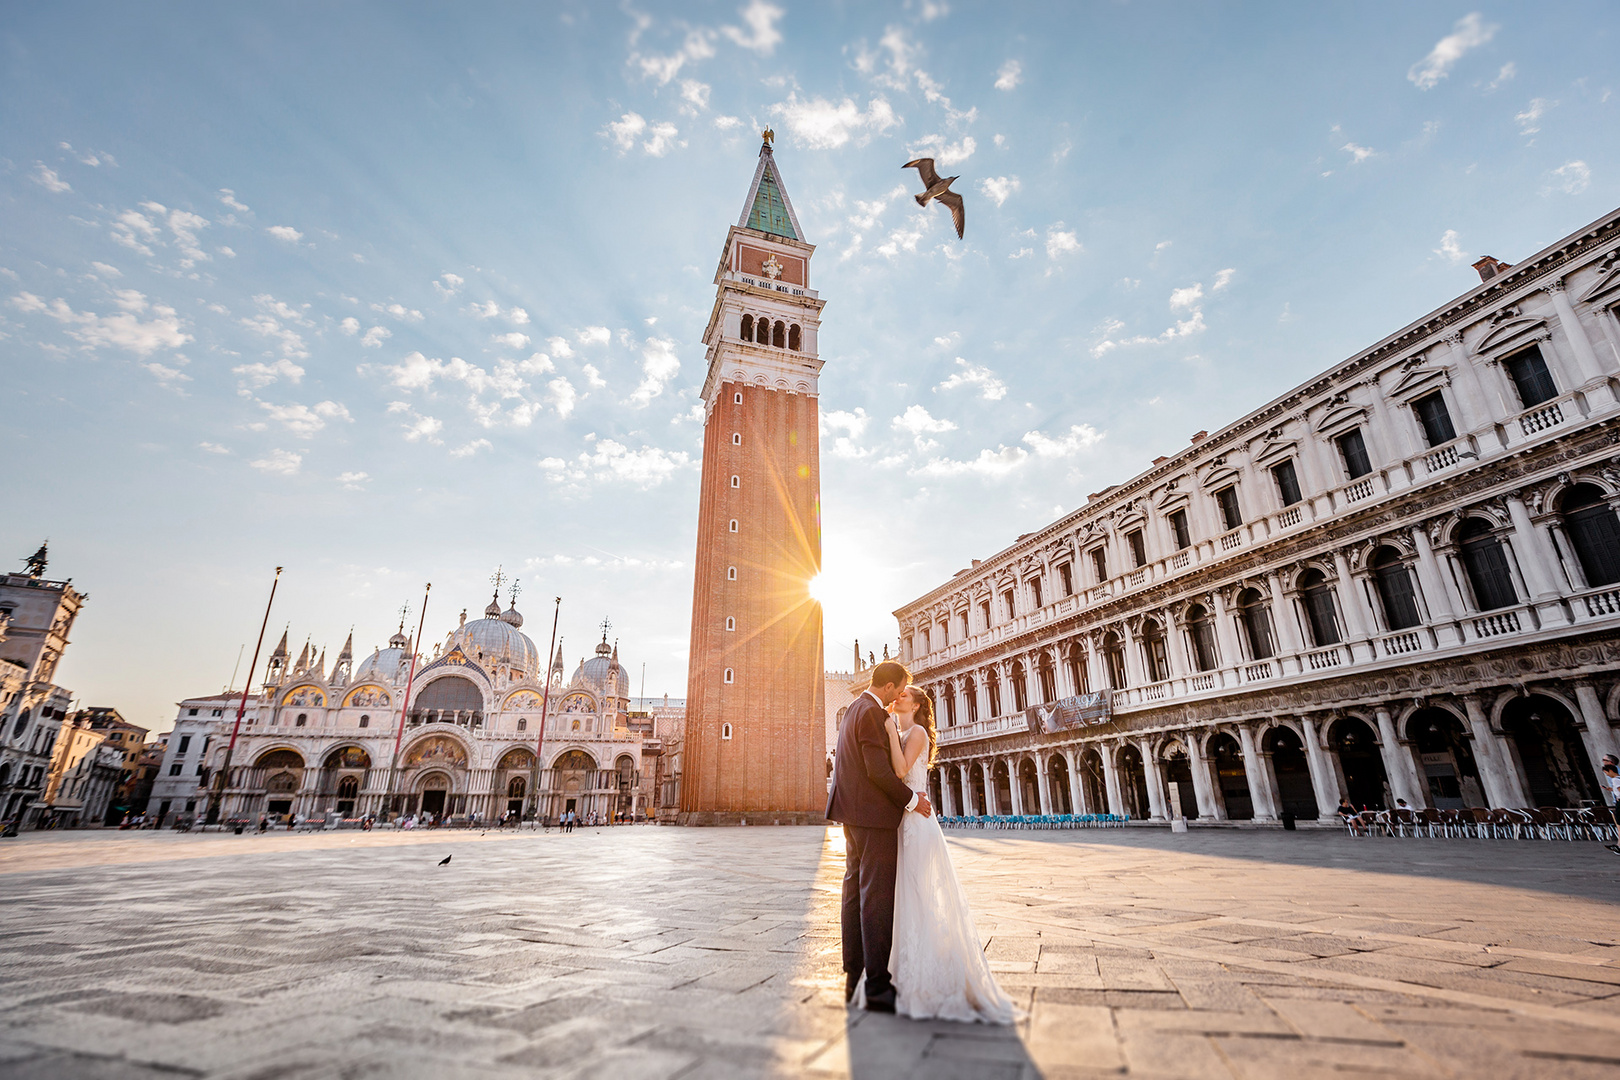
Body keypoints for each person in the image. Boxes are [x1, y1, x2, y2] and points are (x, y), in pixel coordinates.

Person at [877, 685, 1018, 1024]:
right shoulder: (904, 730)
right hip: (906, 819)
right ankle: (906, 967)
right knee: (906, 895)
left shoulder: (916, 732)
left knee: (918, 893)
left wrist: (887, 731)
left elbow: (899, 771)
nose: (897, 698)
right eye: (897, 696)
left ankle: (927, 973)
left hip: (917, 823)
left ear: (916, 705)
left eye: (904, 697)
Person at [825, 660, 933, 1015]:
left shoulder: (855, 709)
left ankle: (854, 976)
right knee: (876, 899)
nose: (899, 695)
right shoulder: (871, 712)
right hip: (872, 817)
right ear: (889, 687)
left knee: (854, 892)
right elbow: (877, 771)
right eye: (899, 689)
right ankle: (876, 986)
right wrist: (912, 799)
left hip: (852, 815)